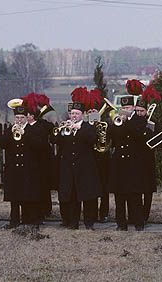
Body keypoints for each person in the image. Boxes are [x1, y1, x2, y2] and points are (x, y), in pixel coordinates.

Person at [0, 103, 46, 229]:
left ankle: (29, 220)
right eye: (17, 118)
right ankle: (14, 221)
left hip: (29, 168)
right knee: (14, 196)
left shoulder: (34, 129)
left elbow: (40, 146)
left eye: (22, 118)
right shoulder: (10, 129)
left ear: (27, 118)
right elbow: (2, 144)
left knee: (28, 195)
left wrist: (25, 134)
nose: (19, 120)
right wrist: (0, 136)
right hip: (14, 168)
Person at [55, 101, 101, 230]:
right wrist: (62, 131)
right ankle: (73, 222)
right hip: (69, 167)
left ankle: (89, 223)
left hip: (85, 168)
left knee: (88, 197)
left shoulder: (88, 127)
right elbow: (56, 141)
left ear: (82, 115)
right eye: (72, 113)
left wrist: (79, 129)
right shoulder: (66, 127)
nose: (74, 116)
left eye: (77, 113)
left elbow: (93, 140)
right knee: (72, 197)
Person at [107, 96, 146, 231]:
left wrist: (127, 121)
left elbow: (138, 134)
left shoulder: (139, 120)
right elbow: (111, 136)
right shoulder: (118, 121)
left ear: (133, 108)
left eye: (128, 108)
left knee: (135, 196)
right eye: (123, 108)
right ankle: (120, 224)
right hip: (119, 163)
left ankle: (138, 223)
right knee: (120, 196)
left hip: (133, 163)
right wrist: (115, 123)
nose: (125, 111)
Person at [133, 97, 156, 224]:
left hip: (148, 160)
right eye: (137, 111)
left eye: (142, 111)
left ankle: (145, 216)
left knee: (148, 190)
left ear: (146, 111)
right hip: (136, 160)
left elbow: (156, 139)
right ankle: (138, 216)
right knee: (136, 190)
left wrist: (149, 128)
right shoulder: (133, 121)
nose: (139, 113)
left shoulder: (152, 121)